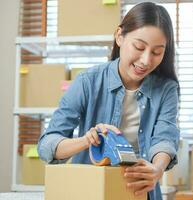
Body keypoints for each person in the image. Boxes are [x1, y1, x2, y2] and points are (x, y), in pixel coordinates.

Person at [38, 2, 180, 200]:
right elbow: (47, 145)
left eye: (157, 52)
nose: (146, 60)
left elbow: (164, 137)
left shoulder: (166, 89)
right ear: (119, 36)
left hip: (138, 192)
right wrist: (87, 140)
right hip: (90, 191)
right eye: (139, 47)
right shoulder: (88, 81)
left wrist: (156, 169)